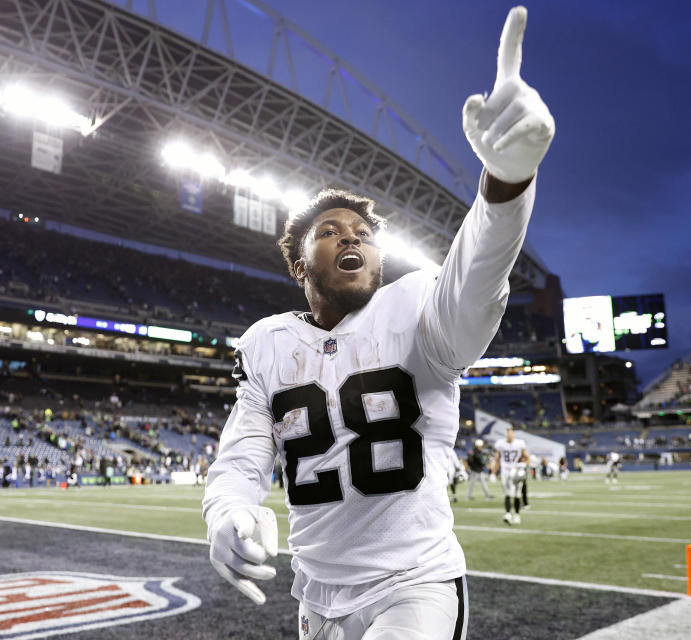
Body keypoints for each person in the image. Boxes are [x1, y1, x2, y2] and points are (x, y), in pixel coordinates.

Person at [201, 7, 554, 639]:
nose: (350, 237)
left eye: (362, 232)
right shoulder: (267, 344)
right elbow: (246, 452)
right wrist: (227, 511)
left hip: (413, 585)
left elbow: (478, 277)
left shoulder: (417, 309)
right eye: (330, 231)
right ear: (298, 263)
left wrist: (506, 181)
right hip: (315, 596)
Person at [492, 427, 529, 524]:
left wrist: (524, 464)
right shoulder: (501, 444)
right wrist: (493, 473)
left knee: (517, 494)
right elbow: (497, 459)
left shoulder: (520, 443)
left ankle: (517, 515)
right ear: (505, 434)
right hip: (505, 471)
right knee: (507, 493)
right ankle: (508, 513)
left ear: (514, 434)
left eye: (511, 433)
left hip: (516, 471)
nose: (509, 435)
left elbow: (527, 457)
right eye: (507, 434)